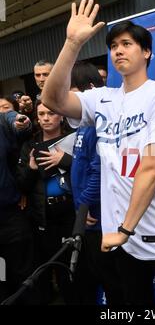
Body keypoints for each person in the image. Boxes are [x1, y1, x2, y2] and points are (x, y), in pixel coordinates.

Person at [42, 0, 155, 305]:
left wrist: (125, 228)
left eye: (127, 44)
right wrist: (72, 44)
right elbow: (52, 100)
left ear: (147, 52)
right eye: (113, 45)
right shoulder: (103, 98)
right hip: (121, 241)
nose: (118, 50)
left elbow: (151, 168)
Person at [70, 61, 123, 304]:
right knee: (99, 276)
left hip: (98, 217)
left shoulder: (97, 126)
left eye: (72, 92)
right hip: (88, 216)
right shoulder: (83, 125)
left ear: (89, 89)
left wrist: (86, 205)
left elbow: (99, 170)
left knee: (114, 282)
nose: (68, 99)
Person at [16, 100, 75, 304]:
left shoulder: (74, 139)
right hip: (44, 217)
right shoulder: (30, 145)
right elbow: (22, 185)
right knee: (48, 266)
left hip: (71, 213)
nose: (46, 118)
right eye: (41, 115)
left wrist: (65, 160)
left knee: (73, 269)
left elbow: (89, 172)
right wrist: (32, 168)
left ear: (61, 115)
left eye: (50, 113)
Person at [0, 110, 33, 303]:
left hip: (11, 216)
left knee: (22, 274)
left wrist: (22, 122)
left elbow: (15, 121)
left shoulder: (3, 123)